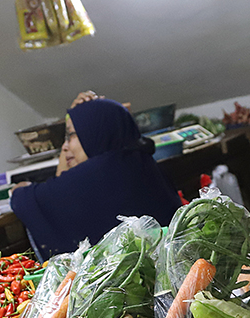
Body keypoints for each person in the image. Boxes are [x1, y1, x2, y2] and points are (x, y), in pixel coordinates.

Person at [11, 96, 182, 260]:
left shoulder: (99, 174)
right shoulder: (139, 160)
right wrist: (77, 117)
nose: (65, 146)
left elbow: (26, 199)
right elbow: (61, 181)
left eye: (72, 135)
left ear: (93, 133)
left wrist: (19, 189)